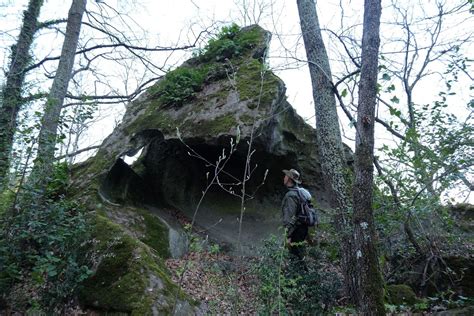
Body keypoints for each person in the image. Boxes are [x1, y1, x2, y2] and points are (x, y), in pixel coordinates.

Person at [281, 168, 312, 263]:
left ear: (289, 179)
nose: (284, 178)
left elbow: (290, 216)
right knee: (300, 253)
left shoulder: (291, 195)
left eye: (285, 176)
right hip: (304, 227)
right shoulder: (303, 192)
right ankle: (302, 275)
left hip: (296, 230)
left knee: (295, 256)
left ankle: (301, 275)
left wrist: (288, 235)